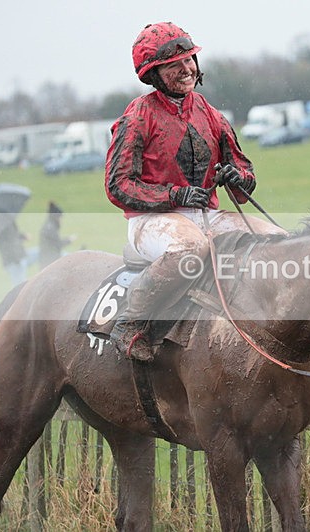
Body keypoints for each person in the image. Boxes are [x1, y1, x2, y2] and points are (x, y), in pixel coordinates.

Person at [105, 21, 285, 362]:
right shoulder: (138, 116)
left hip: (208, 216)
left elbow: (245, 174)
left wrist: (239, 177)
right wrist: (174, 196)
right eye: (175, 65)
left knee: (280, 239)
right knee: (192, 248)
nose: (187, 69)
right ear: (154, 74)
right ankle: (130, 325)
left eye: (189, 60)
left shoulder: (212, 114)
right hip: (151, 221)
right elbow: (118, 186)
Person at [39, 201, 74, 269]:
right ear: (56, 217)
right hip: (50, 262)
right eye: (60, 217)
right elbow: (58, 245)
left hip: (48, 260)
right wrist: (69, 240)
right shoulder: (50, 228)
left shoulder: (50, 226)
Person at [0, 222, 29, 286]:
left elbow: (14, 235)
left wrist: (23, 236)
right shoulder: (5, 224)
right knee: (20, 285)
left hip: (14, 259)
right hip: (15, 260)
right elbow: (11, 240)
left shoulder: (3, 224)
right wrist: (17, 260)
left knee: (19, 285)